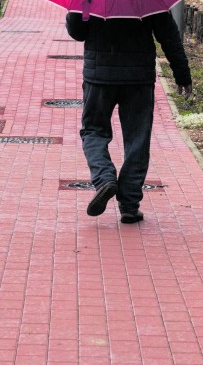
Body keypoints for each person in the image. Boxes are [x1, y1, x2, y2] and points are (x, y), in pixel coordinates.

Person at [66, 11, 192, 223]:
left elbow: (78, 33)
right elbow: (168, 35)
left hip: (99, 76)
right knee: (137, 139)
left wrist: (76, 10)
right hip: (138, 78)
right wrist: (182, 74)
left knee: (93, 131)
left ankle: (105, 178)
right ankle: (129, 205)